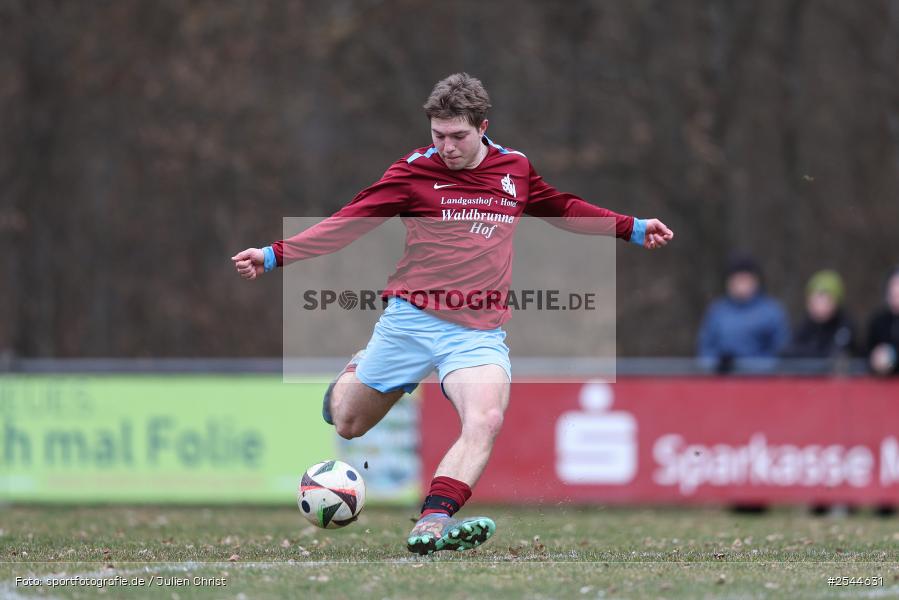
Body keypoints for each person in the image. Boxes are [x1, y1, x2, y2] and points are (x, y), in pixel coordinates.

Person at [232, 73, 674, 555]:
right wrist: (275, 255)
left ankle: (432, 521)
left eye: (458, 136)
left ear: (483, 127)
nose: (446, 147)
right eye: (438, 135)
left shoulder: (515, 169)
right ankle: (356, 371)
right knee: (348, 424)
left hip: (476, 334)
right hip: (410, 322)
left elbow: (562, 207)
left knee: (485, 418)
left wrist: (630, 227)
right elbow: (349, 222)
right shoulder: (412, 173)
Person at [697, 254, 790, 372]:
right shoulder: (717, 311)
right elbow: (705, 350)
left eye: (745, 279)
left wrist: (748, 366)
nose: (741, 285)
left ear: (755, 281)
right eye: (737, 280)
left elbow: (781, 354)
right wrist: (718, 364)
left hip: (760, 380)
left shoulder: (771, 311)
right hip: (723, 380)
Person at [782, 270, 857, 360]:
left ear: (836, 302)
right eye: (815, 300)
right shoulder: (805, 324)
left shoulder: (844, 325)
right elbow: (787, 351)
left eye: (825, 300)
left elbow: (834, 353)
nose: (819, 305)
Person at [866, 266, 899, 376]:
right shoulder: (878, 322)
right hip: (882, 382)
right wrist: (874, 359)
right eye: (893, 294)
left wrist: (893, 357)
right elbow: (864, 352)